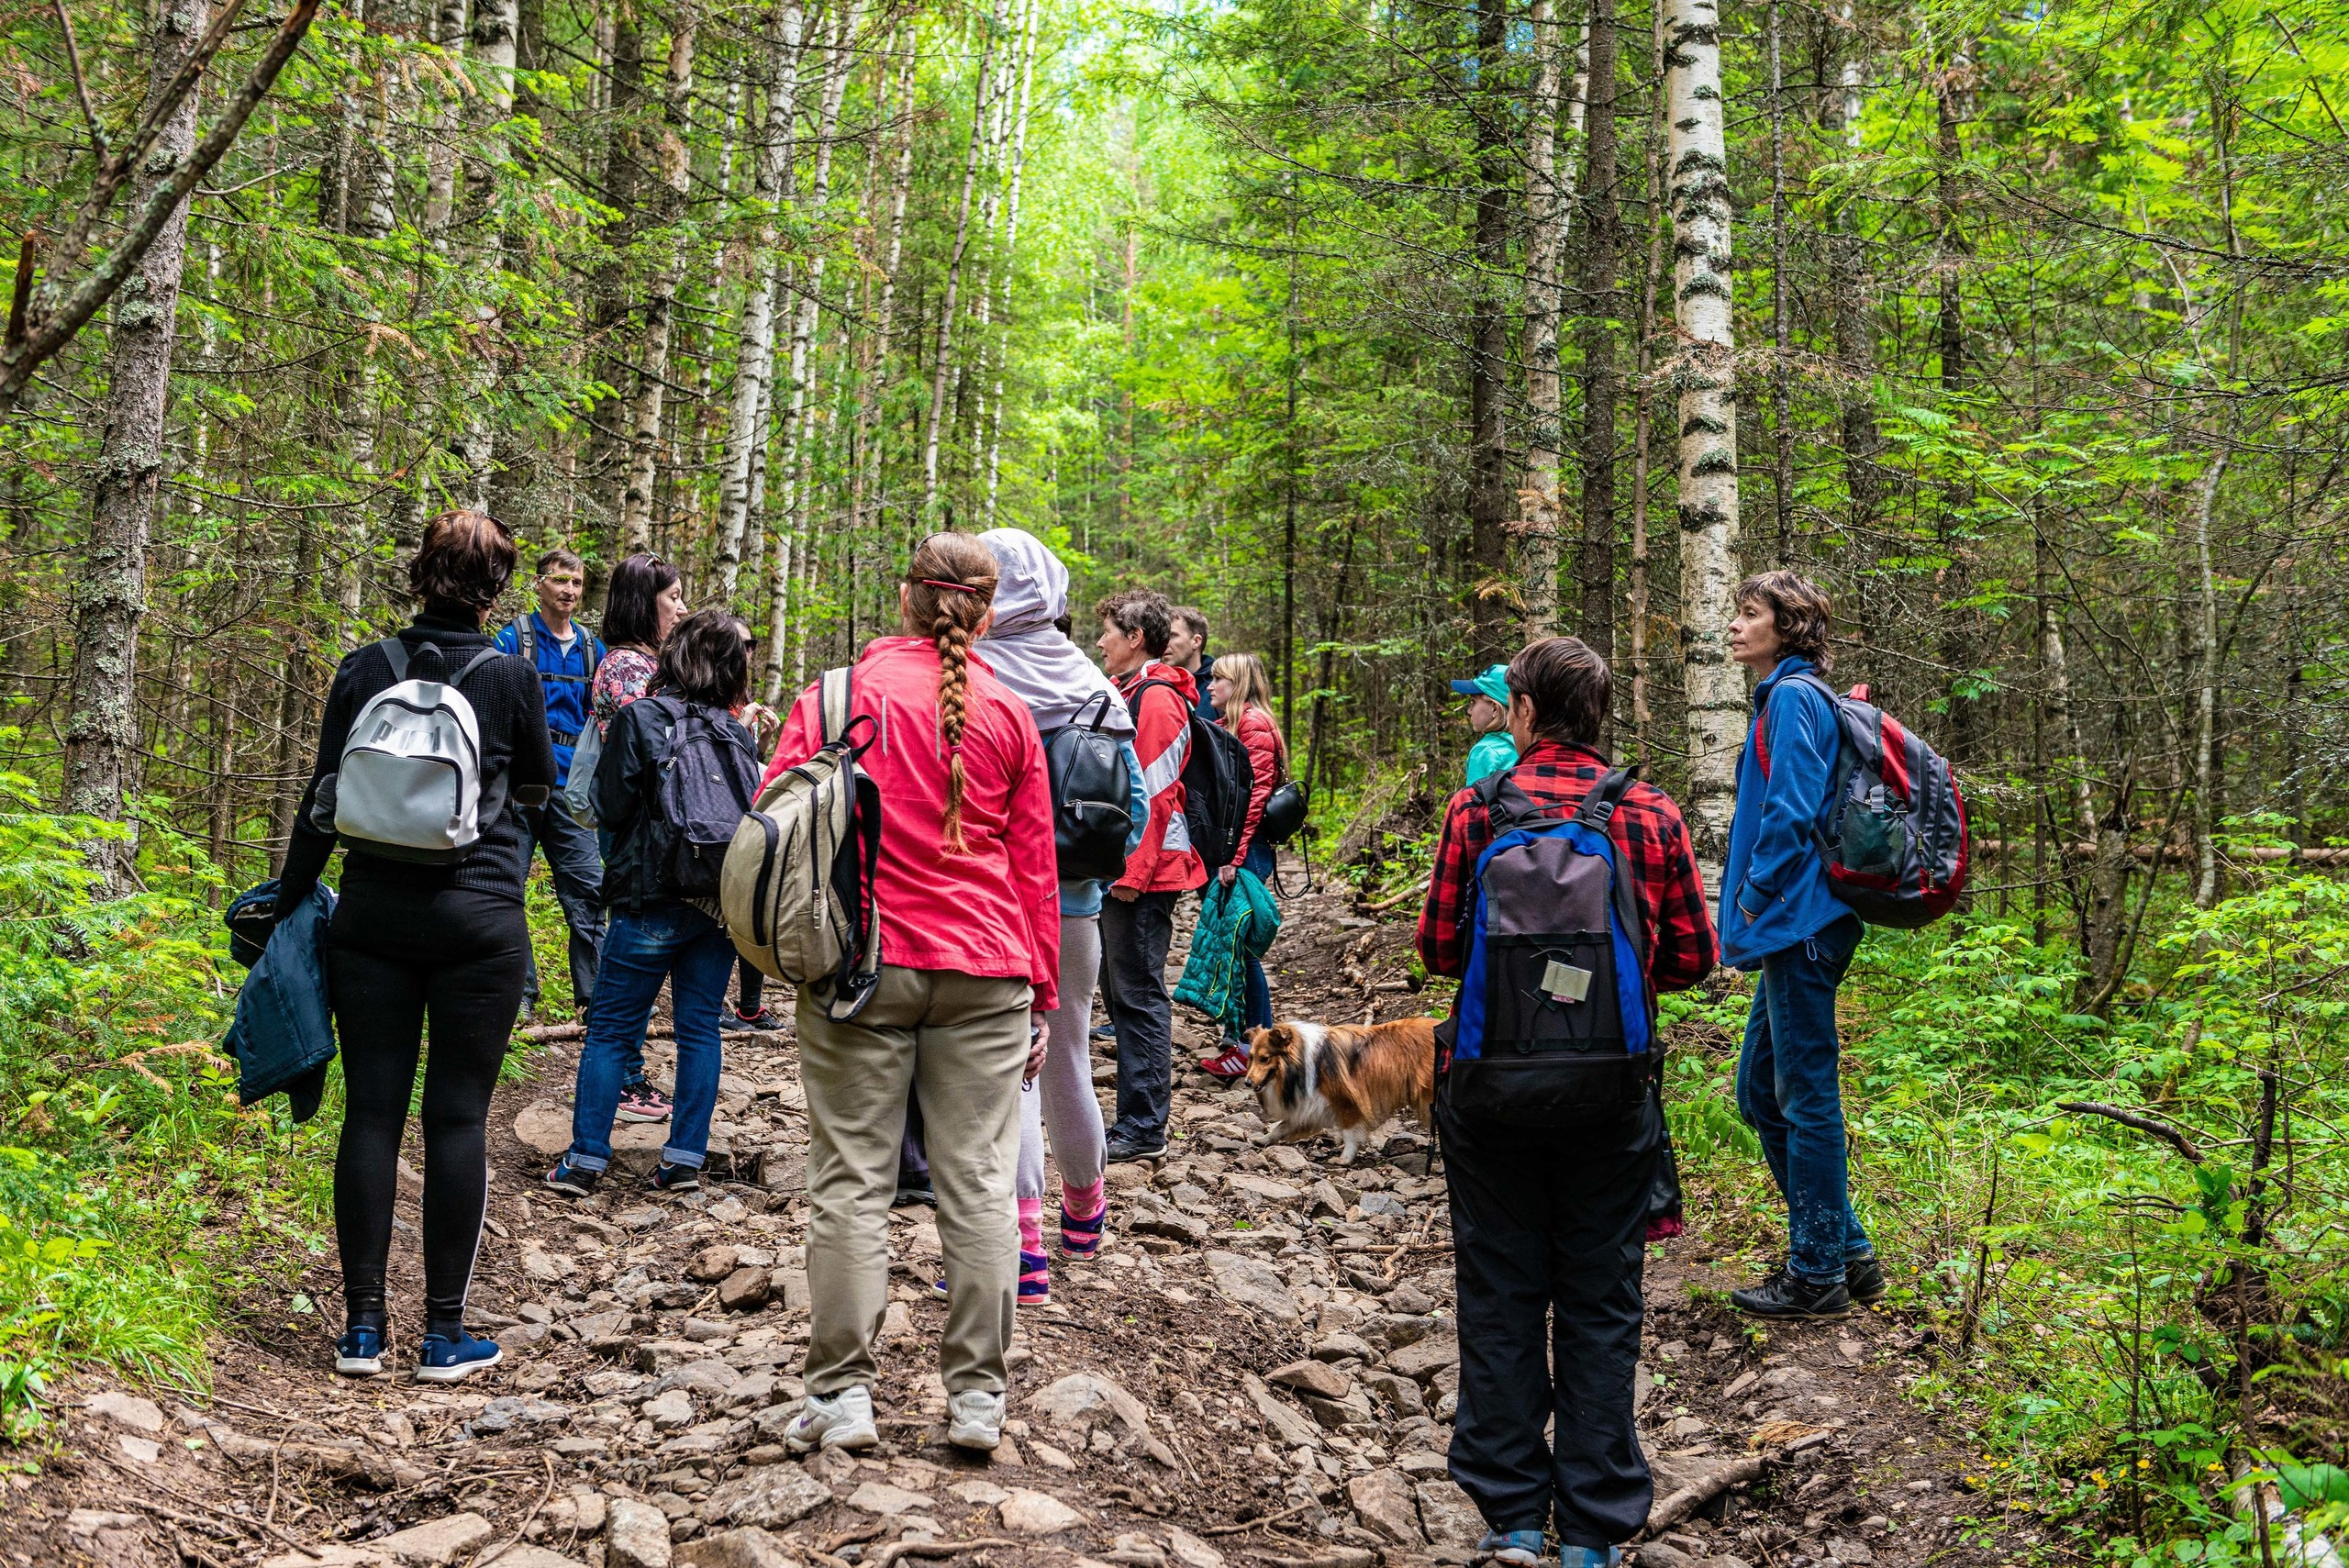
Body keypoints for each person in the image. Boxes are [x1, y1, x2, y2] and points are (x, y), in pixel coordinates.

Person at [1417, 636, 1718, 1567]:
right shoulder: (1649, 811)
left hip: (1490, 1092)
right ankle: (1593, 1524)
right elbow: (1691, 959)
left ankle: (1509, 1511)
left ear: (1524, 710)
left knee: (1501, 1289)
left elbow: (1436, 948)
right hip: (1609, 1095)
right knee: (1600, 1298)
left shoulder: (1477, 807)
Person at [768, 532, 1060, 1458]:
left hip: (861, 965)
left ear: (904, 598)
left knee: (850, 1179)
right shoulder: (1011, 714)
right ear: (985, 608)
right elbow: (1035, 870)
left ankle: (841, 1398)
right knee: (976, 1180)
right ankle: (977, 1400)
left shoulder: (833, 699)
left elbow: (775, 823)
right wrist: (1042, 994)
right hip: (987, 970)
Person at [276, 509, 554, 1385]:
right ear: (497, 588)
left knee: (370, 1113)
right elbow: (542, 792)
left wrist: (289, 906)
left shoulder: (365, 668)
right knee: (459, 1117)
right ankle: (443, 1334)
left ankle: (361, 1329)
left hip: (371, 919)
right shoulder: (511, 676)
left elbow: (323, 797)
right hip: (480, 925)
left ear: (417, 573)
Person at [976, 528, 1149, 1301]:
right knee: (1071, 1050)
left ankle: (1024, 1247)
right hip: (1075, 905)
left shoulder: (972, 675)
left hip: (991, 903)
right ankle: (1085, 1211)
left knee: (1004, 1070)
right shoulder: (1094, 683)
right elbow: (1134, 807)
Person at [546, 610, 763, 1201]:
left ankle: (586, 1159)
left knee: (613, 1030)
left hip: (647, 899)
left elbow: (609, 807)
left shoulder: (643, 717)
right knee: (699, 1030)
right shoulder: (736, 733)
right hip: (717, 905)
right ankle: (685, 1157)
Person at [1720, 570, 1879, 1318]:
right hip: (1798, 924)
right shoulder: (1792, 695)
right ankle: (1847, 1249)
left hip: (1802, 920)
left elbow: (1788, 811)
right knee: (1759, 1090)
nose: (1735, 625)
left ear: (1787, 627)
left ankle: (1816, 1271)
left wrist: (1750, 894)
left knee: (1807, 1096)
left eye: (1749, 615)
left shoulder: (1789, 697)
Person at [1095, 586, 1207, 1162]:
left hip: (1146, 873)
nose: (1100, 642)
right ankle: (1135, 1119)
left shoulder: (1158, 698)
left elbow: (1156, 792)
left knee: (1138, 995)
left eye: (1109, 631)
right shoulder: (1130, 691)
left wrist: (1132, 873)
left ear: (1136, 638)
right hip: (1126, 869)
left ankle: (1143, 1125)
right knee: (1118, 991)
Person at [584, 552, 691, 1125]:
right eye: (672, 597)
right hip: (633, 832)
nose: (680, 607)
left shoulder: (647, 663)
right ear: (644, 602)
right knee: (629, 954)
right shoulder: (626, 668)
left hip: (652, 830)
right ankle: (623, 1078)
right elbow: (653, 750)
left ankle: (626, 1072)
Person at [495, 550, 607, 1024]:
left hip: (572, 789)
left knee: (587, 889)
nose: (570, 591)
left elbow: (603, 717)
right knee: (508, 887)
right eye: (561, 581)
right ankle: (520, 994)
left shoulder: (592, 650)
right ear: (539, 584)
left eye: (577, 583)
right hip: (519, 785)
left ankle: (595, 998)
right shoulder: (511, 639)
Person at [1198, 651, 1286, 1078]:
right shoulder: (1232, 724)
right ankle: (1243, 1041)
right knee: (1233, 950)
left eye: (1218, 680)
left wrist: (1232, 858)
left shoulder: (1253, 725)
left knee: (1242, 951)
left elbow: (1253, 798)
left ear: (1240, 685)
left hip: (1246, 851)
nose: (1210, 687)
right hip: (1239, 849)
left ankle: (1256, 1047)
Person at [1452, 663, 1519, 785]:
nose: (1469, 710)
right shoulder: (1525, 746)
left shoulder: (1484, 752)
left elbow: (1472, 803)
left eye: (1473, 702)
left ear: (1494, 708)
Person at [1166, 605, 1218, 722]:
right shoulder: (1154, 684)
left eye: (1172, 635)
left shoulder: (1219, 687)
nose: (1164, 642)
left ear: (1196, 641)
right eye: (1163, 636)